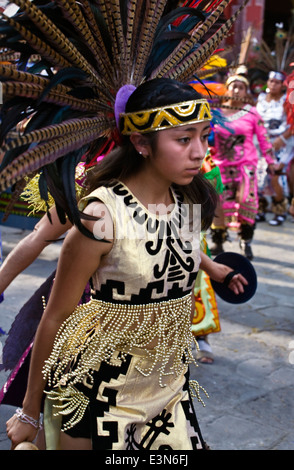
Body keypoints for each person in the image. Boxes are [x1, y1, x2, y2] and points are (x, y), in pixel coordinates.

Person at [6, 78, 247, 450]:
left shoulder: (186, 200)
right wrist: (29, 411)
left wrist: (214, 268)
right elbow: (55, 318)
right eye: (184, 139)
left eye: (204, 136)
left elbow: (172, 248)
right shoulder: (100, 217)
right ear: (140, 143)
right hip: (99, 390)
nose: (200, 152)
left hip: (168, 387)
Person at [209, 74, 275, 260]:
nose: (236, 90)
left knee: (247, 201)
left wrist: (271, 162)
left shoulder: (252, 113)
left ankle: (246, 241)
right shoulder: (215, 113)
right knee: (219, 204)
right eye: (233, 86)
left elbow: (264, 139)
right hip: (220, 166)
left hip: (246, 167)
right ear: (226, 89)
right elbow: (206, 138)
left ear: (246, 92)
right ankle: (218, 241)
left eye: (241, 87)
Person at [256, 71, 294, 225]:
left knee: (277, 176)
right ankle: (262, 209)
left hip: (282, 143)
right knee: (260, 176)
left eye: (277, 82)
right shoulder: (259, 100)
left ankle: (280, 211)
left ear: (282, 85)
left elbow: (292, 123)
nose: (273, 85)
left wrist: (282, 138)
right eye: (271, 81)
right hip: (262, 143)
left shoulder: (287, 102)